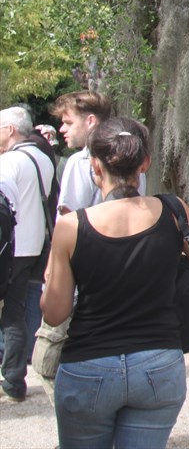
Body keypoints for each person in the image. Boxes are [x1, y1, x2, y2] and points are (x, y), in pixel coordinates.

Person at [39, 117, 189, 448]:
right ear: (145, 162)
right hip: (158, 363)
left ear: (95, 166)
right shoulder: (173, 210)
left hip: (89, 365)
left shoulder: (71, 226)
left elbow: (54, 313)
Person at [0, 106, 56, 403]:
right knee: (15, 315)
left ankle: (11, 379)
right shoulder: (43, 159)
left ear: (10, 129)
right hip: (34, 246)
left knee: (12, 317)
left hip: (9, 248)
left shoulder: (9, 162)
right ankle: (14, 381)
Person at [50, 91, 118, 214]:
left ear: (90, 121)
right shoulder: (132, 156)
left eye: (69, 123)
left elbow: (69, 220)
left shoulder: (80, 161)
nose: (62, 129)